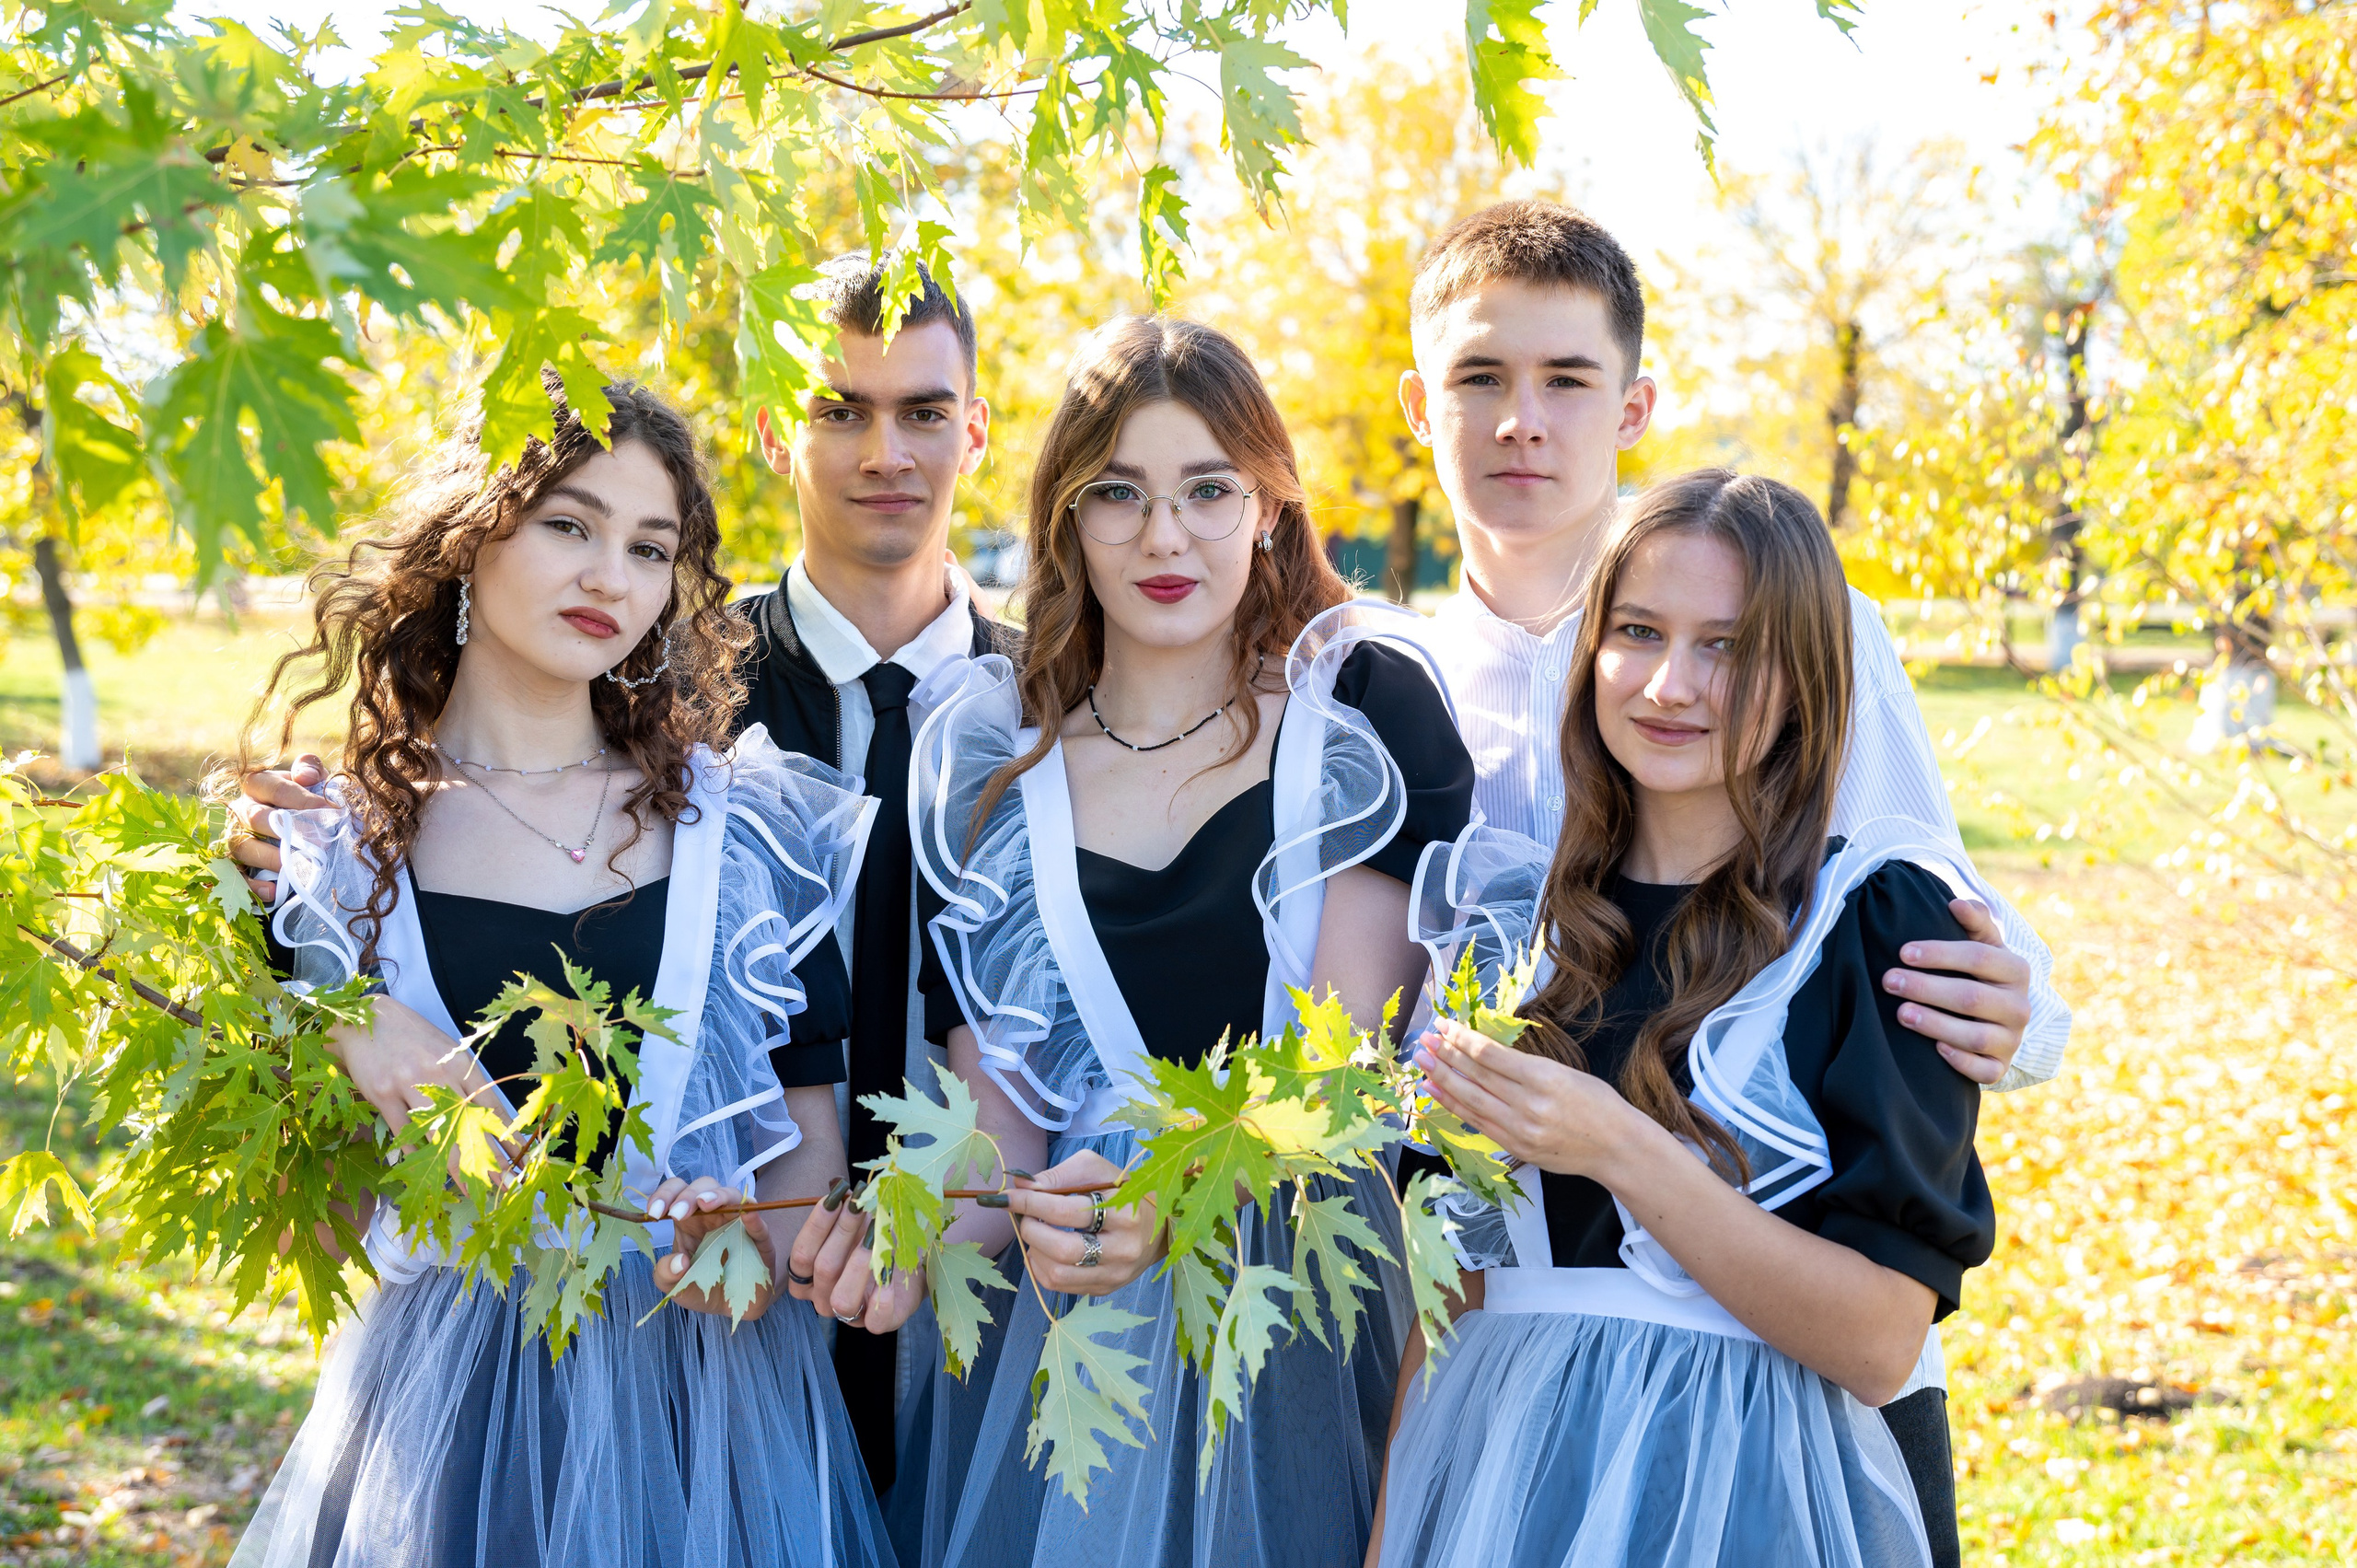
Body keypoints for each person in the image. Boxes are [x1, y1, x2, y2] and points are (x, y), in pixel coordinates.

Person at [228, 258, 1003, 1521]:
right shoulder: (331, 855)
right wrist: (338, 1028)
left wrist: (737, 1243)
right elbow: (306, 1236)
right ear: (473, 530)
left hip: (701, 1446)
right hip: (436, 1443)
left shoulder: (743, 836)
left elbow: (801, 1175)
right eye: (569, 526)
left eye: (649, 549)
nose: (609, 576)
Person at [1390, 199, 2070, 1558]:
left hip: (1774, 1427)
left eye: (1566, 379)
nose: (1522, 423)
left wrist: (2029, 1016)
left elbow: (1938, 932)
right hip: (1517, 1431)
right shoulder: (1382, 682)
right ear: (1421, 405)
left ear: (1632, 404)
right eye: (1480, 378)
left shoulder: (1811, 614)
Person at [787, 316, 1476, 1568]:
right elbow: (1004, 1139)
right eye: (1119, 494)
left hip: (1302, 1324)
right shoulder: (991, 768)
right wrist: (908, 1243)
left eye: (1208, 490)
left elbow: (1343, 1074)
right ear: (1066, 520)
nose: (1165, 538)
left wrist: (1165, 1194)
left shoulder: (1359, 717)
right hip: (1077, 1365)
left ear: (1269, 506)